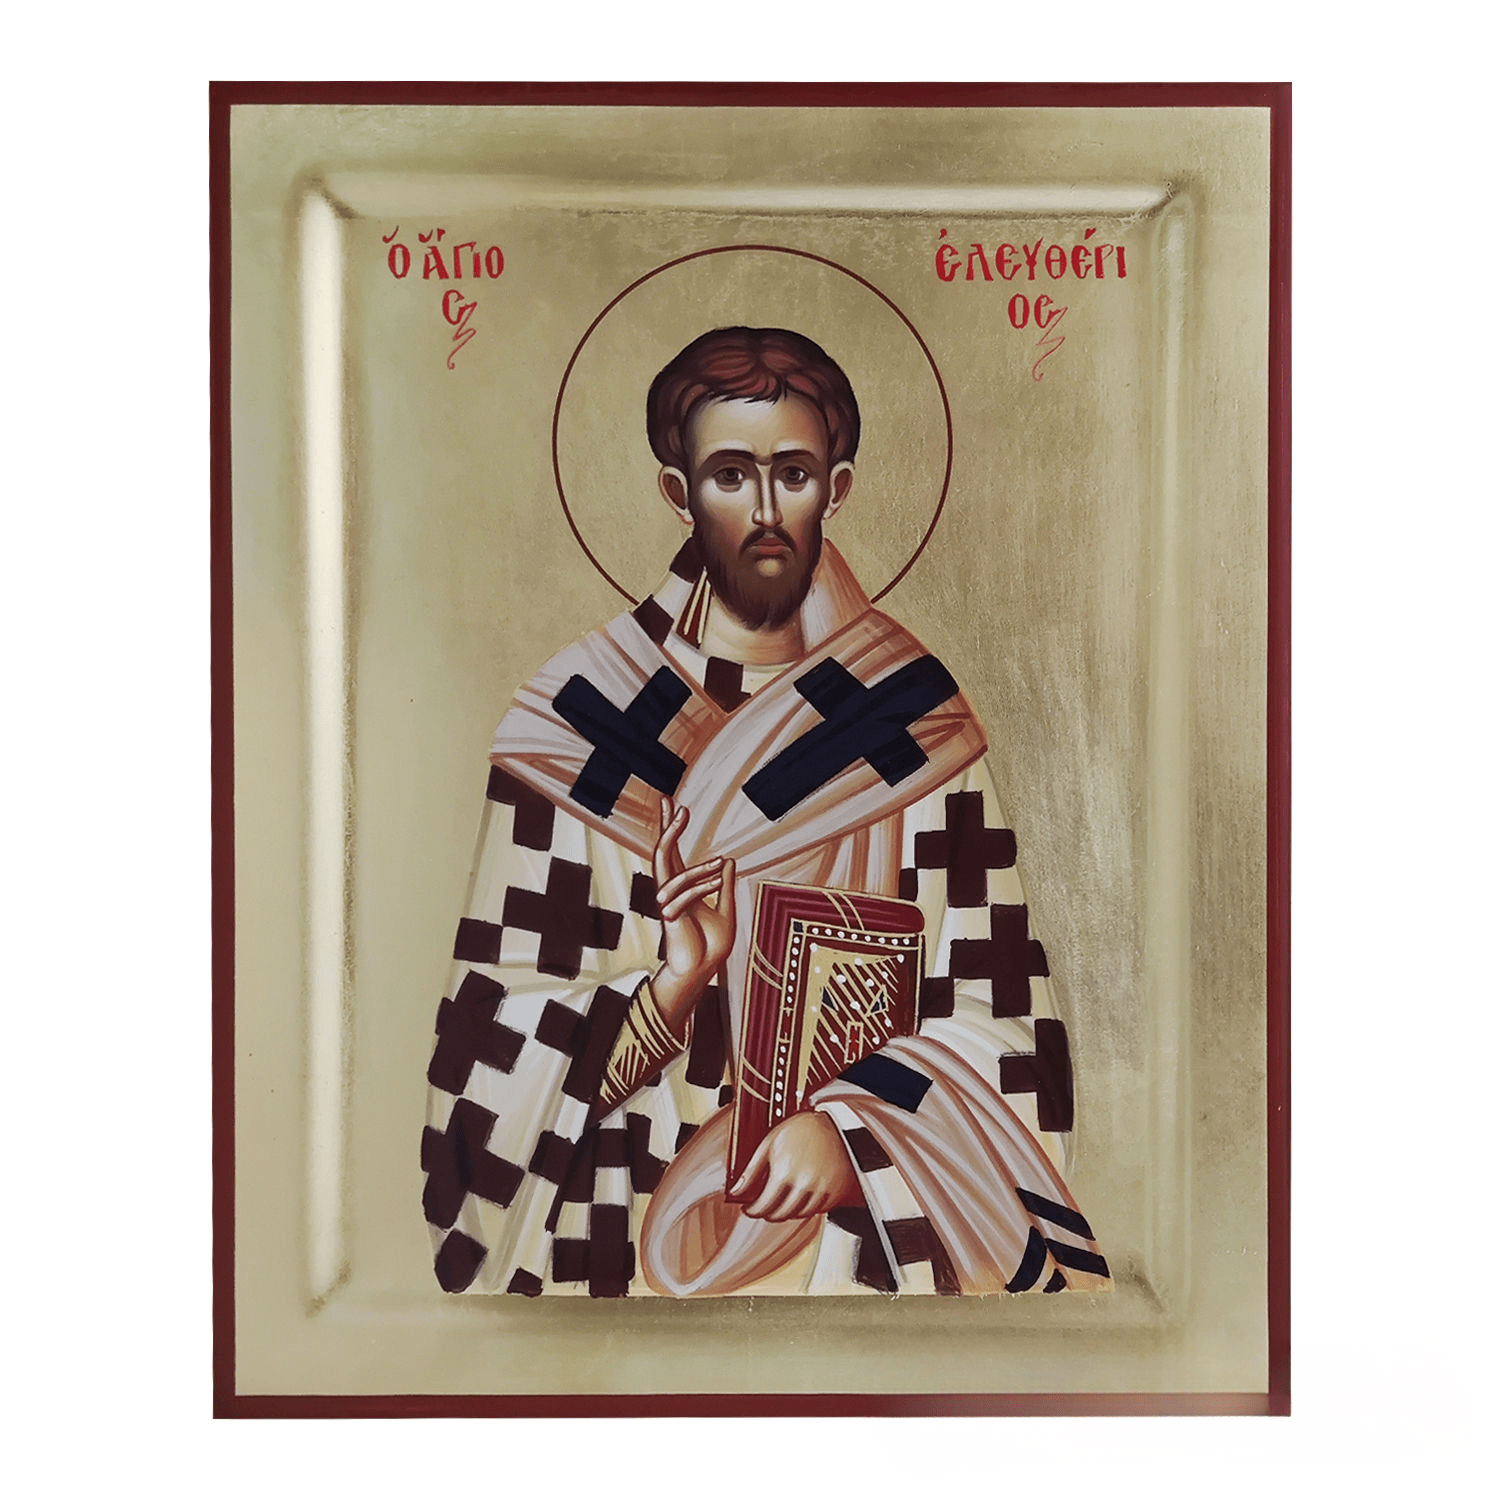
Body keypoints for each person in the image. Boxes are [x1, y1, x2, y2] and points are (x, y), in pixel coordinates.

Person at [421, 326, 1110, 1297]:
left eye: (792, 473)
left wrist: (856, 1133)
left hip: (856, 1256)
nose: (764, 510)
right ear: (679, 492)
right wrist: (671, 988)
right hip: (629, 1244)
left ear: (837, 486)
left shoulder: (905, 721)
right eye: (730, 476)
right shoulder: (581, 724)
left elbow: (1009, 1033)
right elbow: (483, 1068)